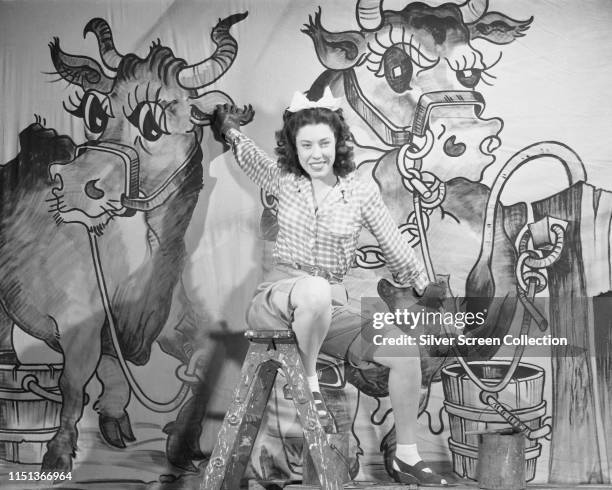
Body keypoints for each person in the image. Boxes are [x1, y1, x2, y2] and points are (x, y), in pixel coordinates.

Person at [211, 88, 448, 486]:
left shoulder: (359, 192)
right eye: (306, 145)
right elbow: (250, 156)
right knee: (316, 290)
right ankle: (308, 385)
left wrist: (425, 287)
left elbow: (395, 245)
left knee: (403, 351)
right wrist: (230, 131)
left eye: (324, 142)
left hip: (328, 307)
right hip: (277, 298)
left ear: (338, 143)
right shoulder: (284, 178)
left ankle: (407, 454)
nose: (315, 153)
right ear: (294, 147)